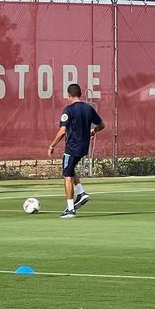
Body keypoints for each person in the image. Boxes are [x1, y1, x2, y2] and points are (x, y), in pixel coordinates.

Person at [48, 83, 105, 219]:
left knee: (67, 176)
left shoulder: (69, 110)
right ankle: (81, 193)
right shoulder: (88, 109)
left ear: (69, 96)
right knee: (70, 168)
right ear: (80, 94)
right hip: (83, 147)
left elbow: (62, 131)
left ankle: (70, 209)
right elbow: (102, 125)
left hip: (72, 148)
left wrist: (52, 146)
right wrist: (93, 130)